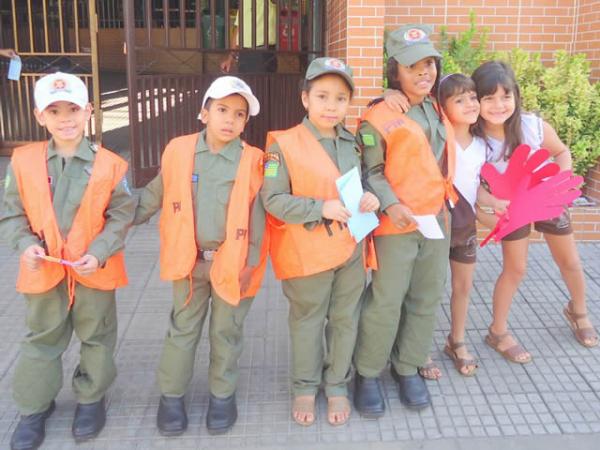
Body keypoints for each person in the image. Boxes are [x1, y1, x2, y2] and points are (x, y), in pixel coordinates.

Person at [0, 72, 136, 450]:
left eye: (73, 108)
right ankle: (33, 407)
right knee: (42, 338)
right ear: (39, 115)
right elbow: (10, 213)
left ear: (89, 111)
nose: (65, 118)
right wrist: (24, 244)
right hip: (42, 271)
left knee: (97, 337)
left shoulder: (111, 164)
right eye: (54, 110)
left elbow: (121, 214)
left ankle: (91, 400)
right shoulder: (22, 162)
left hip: (93, 269)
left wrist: (102, 250)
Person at [134, 76, 268, 436]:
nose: (230, 119)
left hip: (233, 265)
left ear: (245, 122)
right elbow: (155, 192)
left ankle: (222, 396)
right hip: (188, 262)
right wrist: (118, 222)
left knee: (227, 331)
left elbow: (260, 214)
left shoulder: (255, 160)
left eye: (239, 114)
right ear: (203, 112)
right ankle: (171, 397)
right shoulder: (178, 150)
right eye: (222, 110)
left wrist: (250, 264)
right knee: (182, 329)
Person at [261, 57, 379, 427]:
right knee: (308, 322)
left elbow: (361, 183)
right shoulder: (283, 144)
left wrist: (370, 197)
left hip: (350, 248)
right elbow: (273, 200)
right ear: (305, 99)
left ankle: (337, 384)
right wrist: (320, 207)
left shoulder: (354, 142)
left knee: (345, 319)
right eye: (323, 96)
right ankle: (305, 386)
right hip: (307, 251)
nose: (332, 106)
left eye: (341, 98)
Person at [352, 24, 458, 416]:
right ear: (395, 69)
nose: (424, 72)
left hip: (436, 220)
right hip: (396, 223)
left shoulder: (437, 105)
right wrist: (391, 205)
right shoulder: (378, 115)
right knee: (385, 300)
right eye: (413, 65)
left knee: (426, 297)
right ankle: (366, 372)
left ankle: (408, 365)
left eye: (429, 63)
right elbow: (371, 171)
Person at [472, 61, 598, 363]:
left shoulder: (532, 125)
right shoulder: (474, 139)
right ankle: (498, 331)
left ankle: (578, 311)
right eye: (489, 98)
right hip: (510, 207)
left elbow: (562, 152)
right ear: (476, 100)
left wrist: (561, 183)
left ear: (516, 96)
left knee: (569, 260)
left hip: (546, 198)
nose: (499, 105)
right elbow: (474, 184)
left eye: (505, 96)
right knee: (516, 269)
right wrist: (491, 201)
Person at [220, 0, 277, 73]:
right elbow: (238, 29)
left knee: (261, 83)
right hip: (244, 54)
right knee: (245, 83)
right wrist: (230, 58)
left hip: (263, 53)